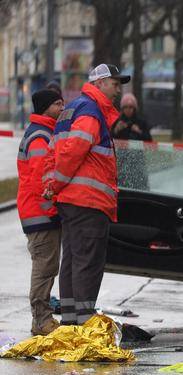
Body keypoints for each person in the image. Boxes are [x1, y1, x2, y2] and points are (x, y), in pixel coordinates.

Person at [43, 63, 130, 325]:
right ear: (100, 83)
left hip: (71, 201)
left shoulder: (72, 108)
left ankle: (71, 321)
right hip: (88, 201)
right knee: (87, 264)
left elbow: (53, 152)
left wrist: (52, 186)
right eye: (115, 84)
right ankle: (84, 323)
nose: (118, 90)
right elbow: (73, 152)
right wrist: (56, 184)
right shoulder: (91, 112)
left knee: (71, 261)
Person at [16, 89, 64, 336]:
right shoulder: (40, 137)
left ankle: (42, 318)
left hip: (41, 214)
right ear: (46, 107)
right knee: (44, 268)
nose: (62, 107)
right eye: (58, 103)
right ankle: (41, 319)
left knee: (48, 267)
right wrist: (52, 211)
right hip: (40, 215)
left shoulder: (46, 133)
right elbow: (40, 181)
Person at [111, 92, 152, 190]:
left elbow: (150, 141)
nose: (128, 110)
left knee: (141, 187)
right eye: (125, 107)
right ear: (122, 108)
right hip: (122, 161)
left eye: (130, 107)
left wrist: (139, 132)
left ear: (135, 108)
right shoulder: (117, 121)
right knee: (122, 188)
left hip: (138, 161)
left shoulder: (141, 122)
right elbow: (109, 140)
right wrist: (116, 130)